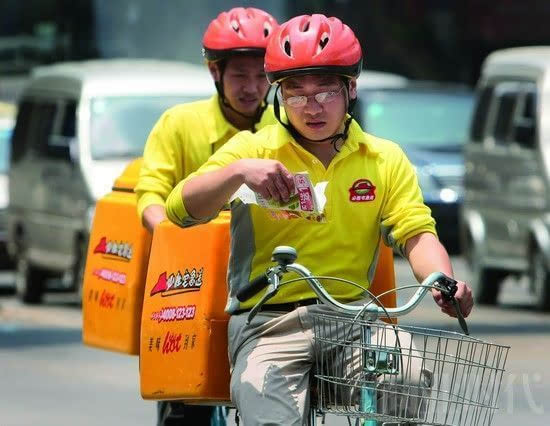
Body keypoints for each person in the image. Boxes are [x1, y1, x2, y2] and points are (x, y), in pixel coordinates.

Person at [164, 14, 474, 425]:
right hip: (268, 324)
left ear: (351, 88)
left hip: (354, 321)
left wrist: (442, 281)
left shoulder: (384, 159)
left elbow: (416, 232)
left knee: (409, 376)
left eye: (325, 92)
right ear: (279, 96)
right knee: (268, 413)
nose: (311, 108)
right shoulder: (251, 150)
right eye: (295, 94)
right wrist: (237, 173)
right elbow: (179, 209)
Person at [134, 7, 279, 425]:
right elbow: (150, 196)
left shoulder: (287, 124)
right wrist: (174, 237)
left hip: (261, 282)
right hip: (189, 279)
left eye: (261, 76)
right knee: (184, 405)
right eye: (240, 76)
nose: (252, 88)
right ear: (215, 73)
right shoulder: (179, 124)